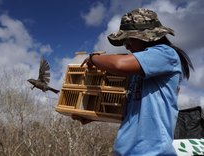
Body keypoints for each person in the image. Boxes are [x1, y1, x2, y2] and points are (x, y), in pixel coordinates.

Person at [74, 8, 194, 155]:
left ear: (146, 37)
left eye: (129, 39)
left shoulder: (165, 54)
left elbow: (119, 64)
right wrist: (92, 117)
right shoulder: (137, 73)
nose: (127, 46)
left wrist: (93, 58)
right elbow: (136, 116)